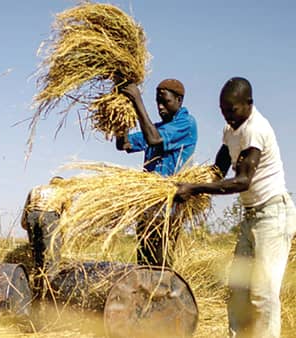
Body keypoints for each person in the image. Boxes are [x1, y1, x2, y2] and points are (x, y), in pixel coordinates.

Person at [175, 77, 295, 338]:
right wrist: (194, 181)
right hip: (252, 215)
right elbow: (219, 167)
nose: (228, 116)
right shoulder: (231, 130)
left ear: (248, 104)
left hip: (273, 215)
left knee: (264, 292)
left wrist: (195, 188)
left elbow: (242, 181)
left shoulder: (255, 129)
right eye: (223, 110)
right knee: (239, 289)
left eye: (233, 110)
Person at [116, 79, 197, 266]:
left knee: (161, 267)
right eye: (157, 102)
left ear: (179, 100)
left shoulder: (186, 123)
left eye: (165, 102)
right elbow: (123, 144)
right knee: (144, 264)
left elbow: (154, 139)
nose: (160, 107)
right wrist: (121, 113)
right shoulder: (156, 127)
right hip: (149, 206)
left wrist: (137, 100)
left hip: (168, 207)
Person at [21, 176, 65, 275]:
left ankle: (37, 286)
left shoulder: (35, 189)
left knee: (37, 254)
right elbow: (66, 217)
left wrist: (27, 225)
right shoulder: (62, 191)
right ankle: (51, 285)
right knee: (52, 255)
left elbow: (25, 212)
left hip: (32, 216)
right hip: (49, 216)